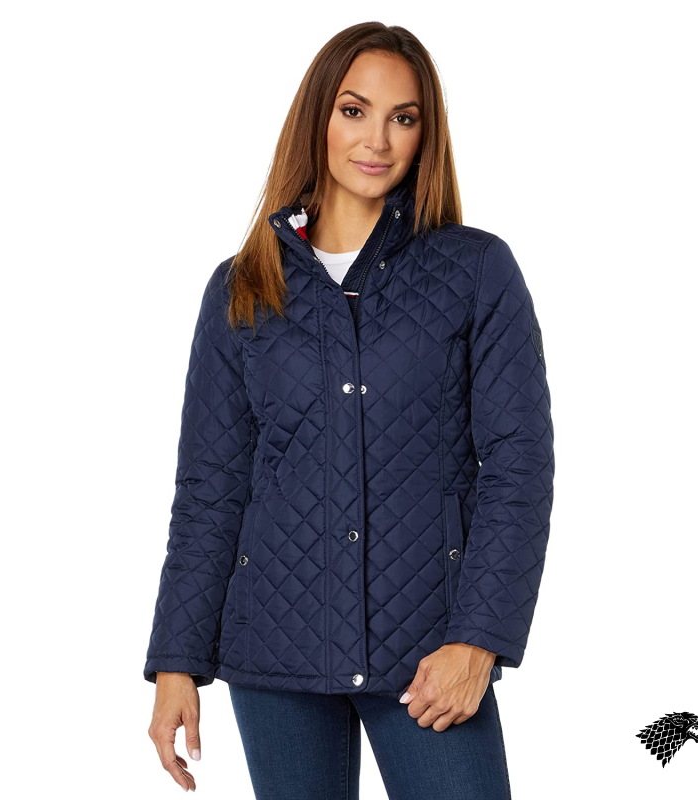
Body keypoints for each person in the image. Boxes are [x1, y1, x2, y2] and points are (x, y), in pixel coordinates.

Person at [145, 21, 554, 799]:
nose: (378, 139)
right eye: (354, 110)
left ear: (425, 135)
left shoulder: (475, 270)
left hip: (428, 653)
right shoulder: (243, 286)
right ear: (319, 119)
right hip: (275, 652)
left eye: (404, 117)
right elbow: (210, 489)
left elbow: (517, 469)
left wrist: (478, 640)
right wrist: (175, 662)